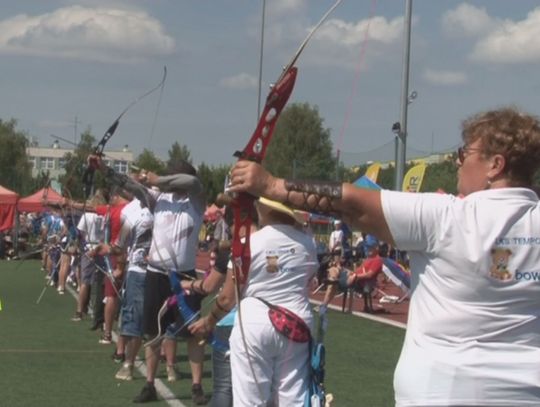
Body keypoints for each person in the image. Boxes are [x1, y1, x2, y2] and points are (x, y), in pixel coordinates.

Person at [228, 107, 540, 406]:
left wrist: (268, 185)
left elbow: (350, 203)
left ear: (495, 165)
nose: (459, 162)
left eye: (465, 154)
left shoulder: (446, 216)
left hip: (441, 391)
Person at [88, 155, 208, 404]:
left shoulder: (196, 199)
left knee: (194, 333)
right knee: (154, 332)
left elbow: (191, 182)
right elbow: (129, 185)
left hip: (184, 275)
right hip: (156, 273)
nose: (169, 179)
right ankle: (150, 384)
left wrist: (158, 179)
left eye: (172, 175)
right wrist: (103, 168)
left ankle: (197, 387)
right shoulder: (158, 198)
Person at [190, 197, 319, 406]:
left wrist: (209, 321)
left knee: (250, 400)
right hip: (297, 324)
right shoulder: (308, 244)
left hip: (255, 323)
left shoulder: (250, 243)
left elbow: (227, 297)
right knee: (293, 401)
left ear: (264, 209)